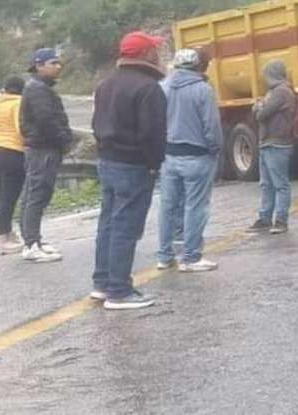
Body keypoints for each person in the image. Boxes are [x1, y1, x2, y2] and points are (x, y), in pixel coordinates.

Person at [91, 31, 167, 310]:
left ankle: (102, 283)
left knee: (108, 224)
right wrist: (153, 163)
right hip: (133, 165)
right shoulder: (148, 88)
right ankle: (119, 291)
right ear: (146, 54)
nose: (158, 54)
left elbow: (95, 125)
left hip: (108, 161)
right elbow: (153, 134)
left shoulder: (105, 85)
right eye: (155, 50)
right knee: (126, 227)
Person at [157, 48, 222, 273]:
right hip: (196, 155)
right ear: (197, 66)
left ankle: (165, 255)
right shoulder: (202, 90)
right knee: (195, 206)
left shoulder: (162, 88)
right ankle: (191, 256)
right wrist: (215, 149)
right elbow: (211, 126)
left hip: (168, 155)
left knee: (168, 206)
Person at [19, 48, 72, 263]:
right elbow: (46, 120)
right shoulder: (38, 89)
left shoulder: (38, 87)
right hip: (44, 148)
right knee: (37, 194)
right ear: (39, 65)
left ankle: (32, 240)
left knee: (33, 193)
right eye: (53, 63)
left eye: (59, 62)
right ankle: (32, 243)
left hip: (41, 147)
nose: (58, 66)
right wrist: (64, 140)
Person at [246, 60, 296, 235]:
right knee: (267, 184)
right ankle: (265, 218)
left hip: (277, 144)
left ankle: (281, 220)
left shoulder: (280, 92)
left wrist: (259, 105)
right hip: (268, 143)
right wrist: (260, 106)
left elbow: (261, 114)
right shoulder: (276, 91)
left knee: (280, 184)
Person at [0, 76, 27, 255]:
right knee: (10, 197)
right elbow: (20, 128)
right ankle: (2, 237)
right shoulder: (18, 103)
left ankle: (8, 232)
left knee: (2, 195)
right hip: (13, 152)